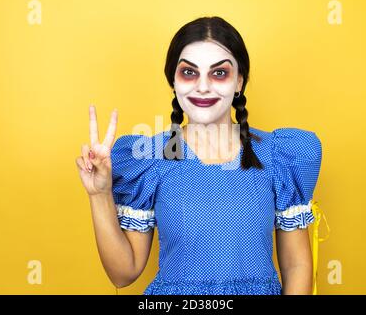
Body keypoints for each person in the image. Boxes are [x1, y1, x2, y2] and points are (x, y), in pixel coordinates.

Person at [75, 16, 322, 295]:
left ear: (239, 81)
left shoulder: (277, 156)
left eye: (219, 73)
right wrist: (99, 194)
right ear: (173, 81)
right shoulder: (152, 159)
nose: (203, 86)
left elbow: (296, 266)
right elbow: (123, 273)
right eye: (189, 73)